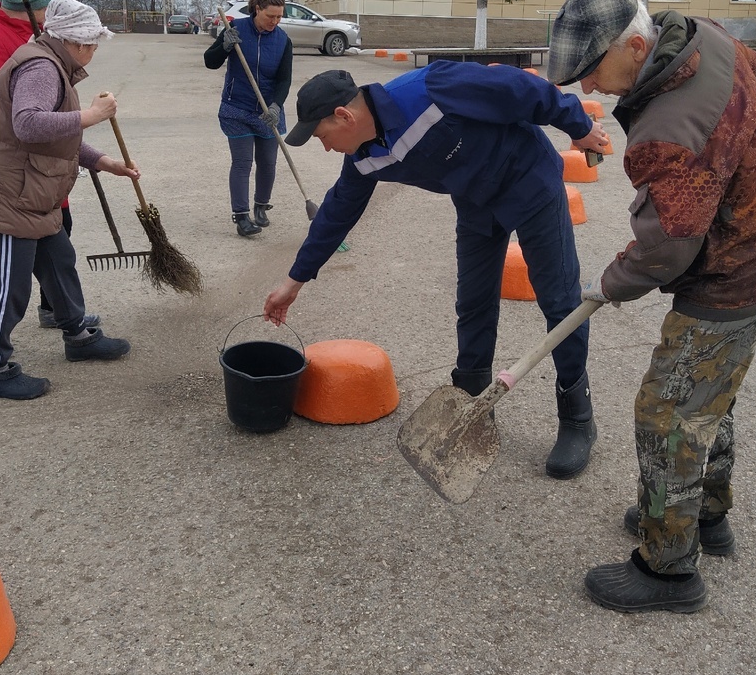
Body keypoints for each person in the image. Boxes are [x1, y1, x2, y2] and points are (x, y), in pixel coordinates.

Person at [546, 0, 756, 613]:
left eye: (592, 72)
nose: (587, 90)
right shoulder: (706, 36)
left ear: (635, 45)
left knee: (667, 415)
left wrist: (609, 283)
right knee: (709, 398)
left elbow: (667, 247)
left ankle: (668, 570)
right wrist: (735, 165)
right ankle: (705, 518)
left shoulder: (666, 129)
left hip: (732, 274)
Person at [262, 64, 612, 479]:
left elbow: (520, 88)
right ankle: (471, 404)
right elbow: (336, 213)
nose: (325, 148)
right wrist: (293, 282)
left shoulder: (431, 88)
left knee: (558, 300)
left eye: (322, 137)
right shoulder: (363, 156)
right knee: (474, 302)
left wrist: (578, 125)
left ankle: (577, 417)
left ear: (345, 117)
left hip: (529, 183)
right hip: (476, 202)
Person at [0, 0, 136, 401]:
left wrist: (105, 163)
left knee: (58, 260)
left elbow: (57, 138)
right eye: (92, 42)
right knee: (7, 285)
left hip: (31, 190)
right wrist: (92, 115)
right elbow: (30, 124)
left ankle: (78, 336)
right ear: (75, 41)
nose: (95, 50)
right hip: (5, 192)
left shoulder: (51, 62)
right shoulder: (40, 66)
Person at [0, 0, 100, 358]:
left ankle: (62, 316)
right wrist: (32, 72)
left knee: (57, 236)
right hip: (5, 163)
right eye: (47, 2)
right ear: (32, 4)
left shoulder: (44, 43)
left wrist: (97, 158)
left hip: (42, 160)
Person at [203, 0, 293, 237]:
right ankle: (241, 216)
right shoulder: (237, 29)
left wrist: (276, 105)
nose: (274, 22)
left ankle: (261, 206)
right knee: (242, 163)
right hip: (237, 107)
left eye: (279, 17)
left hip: (267, 109)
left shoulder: (283, 40)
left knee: (268, 163)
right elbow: (210, 61)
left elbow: (284, 80)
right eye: (270, 16)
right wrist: (224, 45)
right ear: (257, 10)